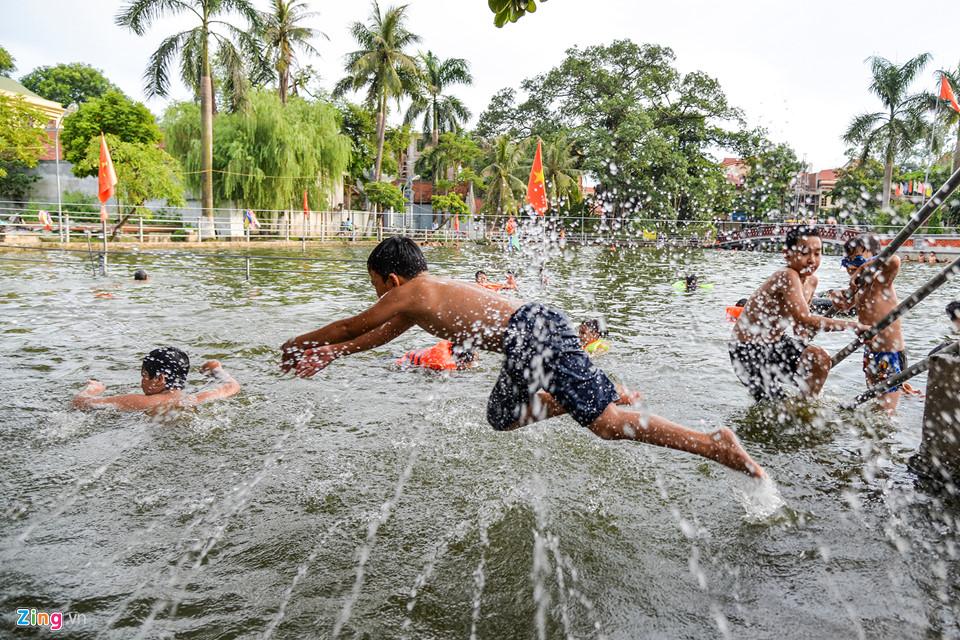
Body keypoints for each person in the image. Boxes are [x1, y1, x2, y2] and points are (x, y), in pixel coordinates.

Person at [281, 236, 764, 478]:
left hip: (533, 330)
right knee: (501, 416)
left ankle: (713, 443)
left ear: (391, 279)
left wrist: (300, 343)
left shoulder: (413, 292)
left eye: (376, 287)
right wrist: (334, 354)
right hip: (527, 335)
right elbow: (378, 336)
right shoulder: (421, 298)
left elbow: (354, 324)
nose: (379, 297)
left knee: (607, 424)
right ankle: (585, 395)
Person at [730, 226, 868, 401]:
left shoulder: (812, 281)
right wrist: (853, 326)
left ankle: (805, 407)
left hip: (776, 343)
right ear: (787, 254)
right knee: (776, 406)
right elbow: (804, 318)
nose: (812, 260)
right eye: (804, 253)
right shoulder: (787, 275)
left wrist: (841, 304)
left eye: (817, 253)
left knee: (820, 359)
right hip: (746, 349)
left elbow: (801, 328)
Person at [831, 234, 907, 413]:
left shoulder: (881, 281)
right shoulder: (859, 288)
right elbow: (845, 305)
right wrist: (838, 299)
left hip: (889, 351)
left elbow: (894, 260)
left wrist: (862, 269)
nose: (852, 267)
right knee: (874, 405)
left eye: (857, 260)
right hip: (870, 350)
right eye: (847, 262)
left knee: (886, 413)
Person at [72, 347, 240, 413]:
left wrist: (93, 389)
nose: (142, 381)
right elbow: (231, 386)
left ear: (160, 379)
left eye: (144, 375)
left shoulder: (143, 402)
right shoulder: (194, 399)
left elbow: (80, 403)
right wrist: (216, 370)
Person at [397, 340, 477, 371]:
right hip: (406, 361)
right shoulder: (442, 364)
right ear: (462, 362)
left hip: (419, 354)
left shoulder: (448, 349)